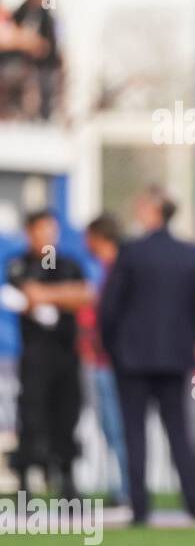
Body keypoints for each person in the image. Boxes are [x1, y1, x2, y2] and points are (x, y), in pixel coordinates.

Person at [100, 189, 195, 524]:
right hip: (174, 357)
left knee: (134, 433)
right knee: (178, 430)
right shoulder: (191, 254)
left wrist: (113, 348)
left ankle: (140, 507)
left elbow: (109, 307)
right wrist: (184, 341)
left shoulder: (131, 252)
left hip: (132, 359)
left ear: (155, 212)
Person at [4, 210, 93, 497]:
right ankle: (26, 481)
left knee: (67, 414)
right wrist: (58, 296)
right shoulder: (19, 264)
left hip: (66, 353)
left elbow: (84, 295)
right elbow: (19, 296)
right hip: (35, 355)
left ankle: (65, 478)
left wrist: (45, 295)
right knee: (32, 415)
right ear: (30, 232)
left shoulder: (67, 264)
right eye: (41, 230)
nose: (47, 237)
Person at [81, 213, 128, 503]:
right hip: (100, 360)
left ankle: (125, 489)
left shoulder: (117, 269)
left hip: (111, 361)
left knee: (117, 426)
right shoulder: (102, 268)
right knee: (109, 428)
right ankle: (120, 485)